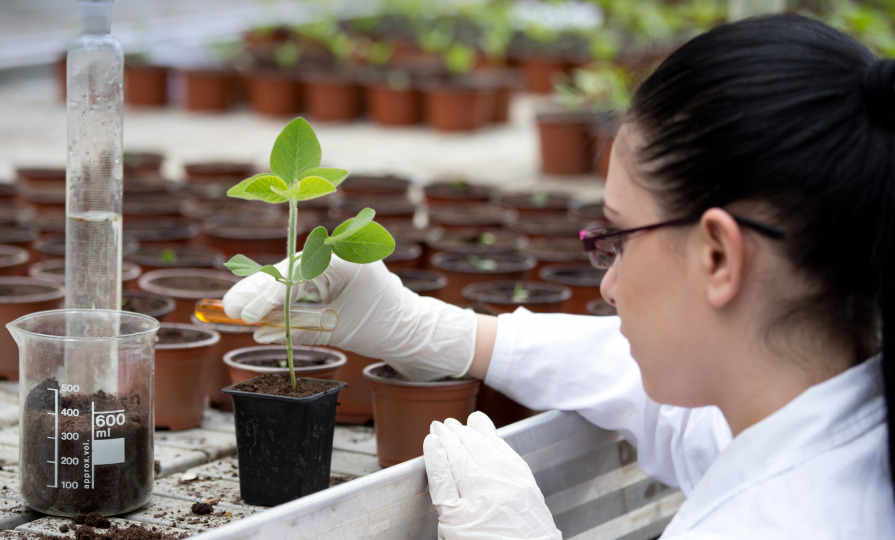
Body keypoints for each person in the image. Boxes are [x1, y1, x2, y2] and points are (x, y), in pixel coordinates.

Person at [223, 14, 895, 539]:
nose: (607, 285)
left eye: (617, 239)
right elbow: (670, 401)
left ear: (717, 256)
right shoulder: (833, 412)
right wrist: (437, 331)